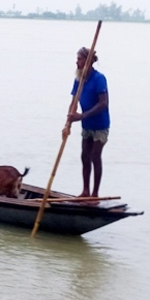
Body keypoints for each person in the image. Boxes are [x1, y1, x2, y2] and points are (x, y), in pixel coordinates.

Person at [62, 47, 110, 198]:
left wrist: (82, 116)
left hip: (100, 125)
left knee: (95, 156)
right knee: (84, 156)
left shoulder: (99, 78)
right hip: (87, 126)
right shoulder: (79, 79)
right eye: (77, 59)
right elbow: (74, 102)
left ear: (88, 61)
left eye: (80, 59)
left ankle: (94, 194)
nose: (77, 62)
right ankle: (85, 191)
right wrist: (67, 124)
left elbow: (104, 104)